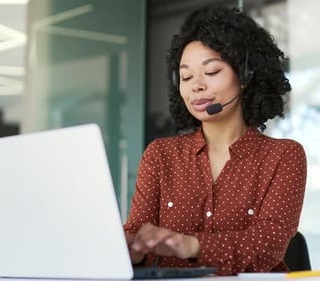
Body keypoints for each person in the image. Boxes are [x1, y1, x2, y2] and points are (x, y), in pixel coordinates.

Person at [123, 5, 307, 276]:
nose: (196, 86)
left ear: (245, 76)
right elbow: (138, 235)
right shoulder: (160, 155)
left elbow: (268, 244)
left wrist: (192, 245)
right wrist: (131, 248)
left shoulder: (283, 156)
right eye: (186, 77)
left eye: (211, 72)